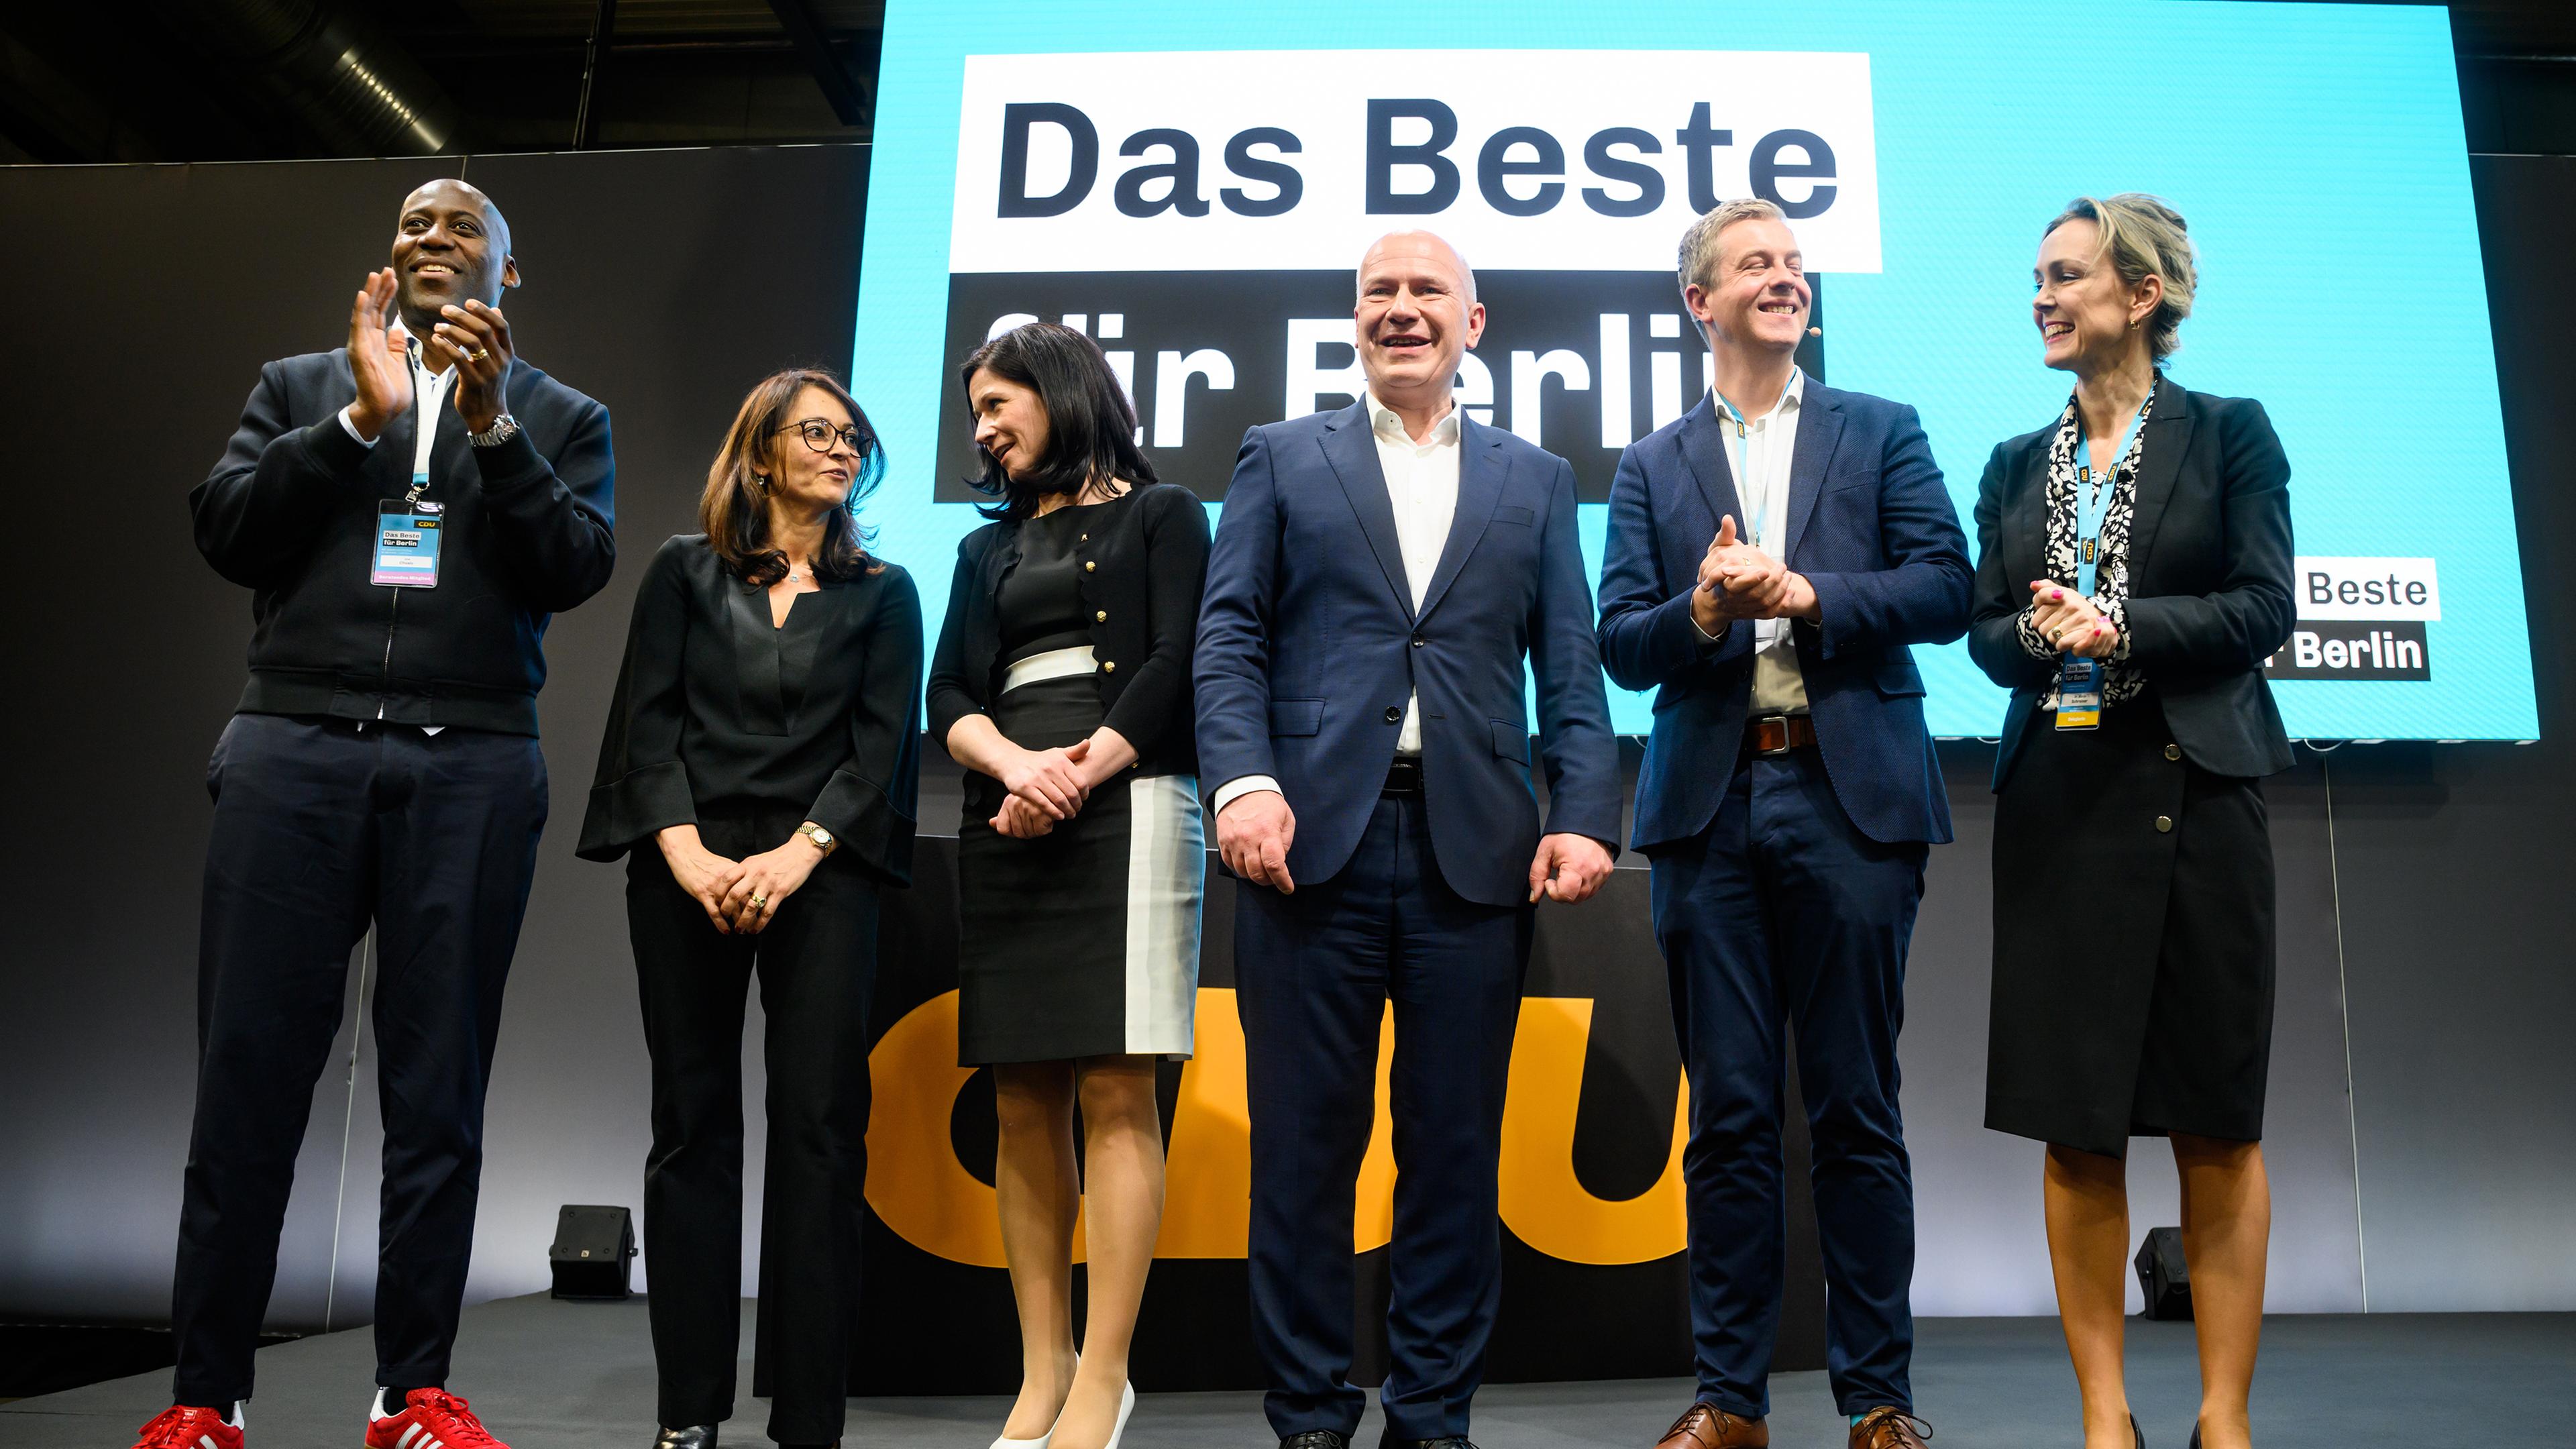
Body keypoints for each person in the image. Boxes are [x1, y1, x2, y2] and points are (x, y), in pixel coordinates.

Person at [144, 179, 614, 1449]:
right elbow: (227, 530)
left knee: (438, 1090)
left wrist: (496, 431)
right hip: (294, 746)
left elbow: (573, 568)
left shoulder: (563, 416)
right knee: (246, 1079)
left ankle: (411, 1393)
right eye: (413, 226)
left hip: (469, 760)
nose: (430, 240)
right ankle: (204, 1399)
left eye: (462, 230)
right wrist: (357, 421)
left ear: (506, 278)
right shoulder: (302, 385)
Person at [1197, 230, 1622, 1449]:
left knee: (1451, 1154)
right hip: (1302, 851)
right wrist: (1241, 789)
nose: (1401, 309)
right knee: (1300, 1154)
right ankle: (1311, 1417)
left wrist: (1585, 809)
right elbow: (1230, 640)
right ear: (1353, 320)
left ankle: (1432, 1412)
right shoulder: (1281, 457)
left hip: (1473, 856)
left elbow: (1572, 672)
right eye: (1378, 291)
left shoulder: (1535, 479)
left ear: (1472, 323)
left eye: (1426, 291)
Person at [1596, 197, 1972, 1449]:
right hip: (1710, 812)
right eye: (1756, 264)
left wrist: (1806, 591)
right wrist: (1703, 610)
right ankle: (1730, 1402)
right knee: (1732, 1116)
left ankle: (1878, 1401)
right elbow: (1619, 643)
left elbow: (1943, 586)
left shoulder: (1882, 430)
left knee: (1859, 1107)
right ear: (1698, 301)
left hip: (1849, 797)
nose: (1786, 279)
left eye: (1797, 264)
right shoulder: (1650, 466)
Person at [1968, 195, 2293, 1449]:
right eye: (2036, 277)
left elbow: (2264, 605)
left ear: (2143, 295)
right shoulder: (2012, 462)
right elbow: (1990, 631)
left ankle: (2224, 1417)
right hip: (2062, 811)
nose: (2041, 297)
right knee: (2075, 1120)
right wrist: (2045, 637)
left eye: (2065, 274)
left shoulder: (2230, 434)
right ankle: (2106, 1418)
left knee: (2218, 1118)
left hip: (2203, 803)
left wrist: (2127, 628)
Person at [578, 370, 920, 1449]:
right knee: (692, 1131)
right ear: (762, 452)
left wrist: (791, 857)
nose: (840, 448)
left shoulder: (885, 588)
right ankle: (688, 1414)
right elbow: (649, 726)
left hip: (823, 874)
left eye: (852, 436)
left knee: (820, 1132)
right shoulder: (684, 574)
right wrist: (686, 854)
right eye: (816, 432)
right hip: (688, 871)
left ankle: (809, 1419)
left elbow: (879, 755)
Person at [926, 322, 1210, 1449]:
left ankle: (1104, 1377)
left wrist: (1078, 772)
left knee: (1115, 1092)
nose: (986, 432)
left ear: (1061, 391)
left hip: (1129, 807)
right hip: (1008, 813)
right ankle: (1039, 1378)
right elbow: (950, 691)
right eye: (977, 417)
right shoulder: (979, 551)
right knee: (1021, 1097)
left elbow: (1177, 663)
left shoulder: (1166, 514)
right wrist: (1013, 768)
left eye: (1001, 405)